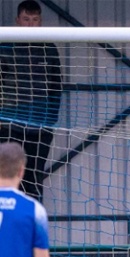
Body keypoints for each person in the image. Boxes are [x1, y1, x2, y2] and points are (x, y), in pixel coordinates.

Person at [0, 0, 63, 201]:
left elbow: (56, 87)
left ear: (40, 21)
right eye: (26, 19)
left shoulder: (48, 49)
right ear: (18, 20)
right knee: (8, 177)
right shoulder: (5, 47)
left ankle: (33, 225)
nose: (30, 24)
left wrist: (49, 120)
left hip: (40, 127)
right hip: (9, 125)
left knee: (34, 179)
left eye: (35, 20)